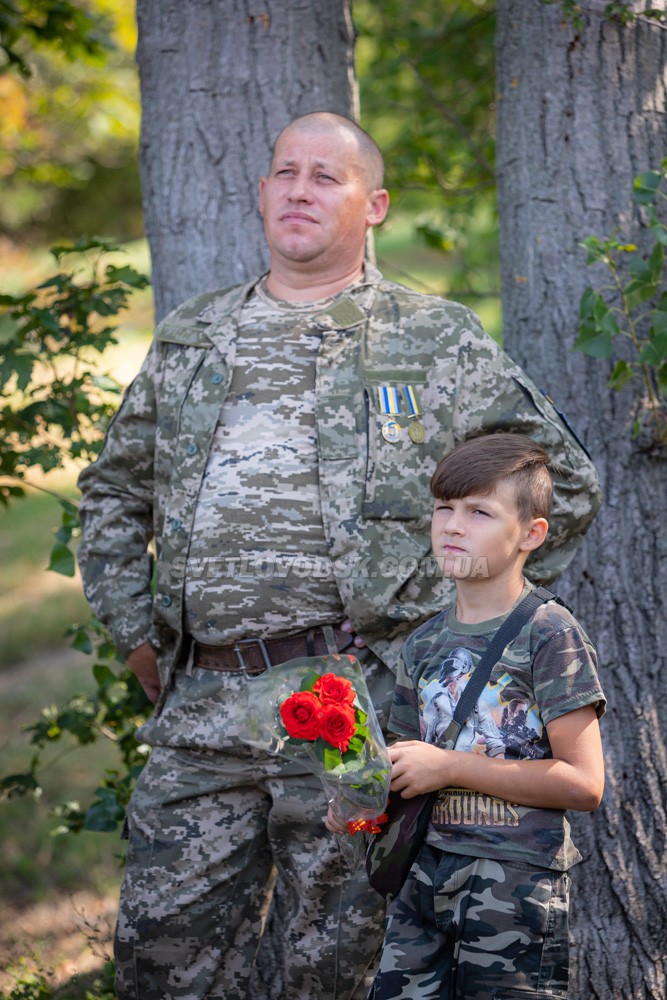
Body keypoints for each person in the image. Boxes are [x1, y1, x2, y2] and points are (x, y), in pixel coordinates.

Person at [76, 112, 602, 1000]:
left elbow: (565, 488)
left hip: (355, 708)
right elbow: (114, 493)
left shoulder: (432, 339)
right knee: (162, 958)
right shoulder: (192, 337)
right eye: (285, 173)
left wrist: (454, 637)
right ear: (260, 193)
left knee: (335, 966)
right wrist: (136, 633)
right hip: (199, 704)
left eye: (327, 176)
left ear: (374, 205)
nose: (299, 190)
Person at [355, 433, 606, 1000]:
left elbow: (584, 783)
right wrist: (356, 800)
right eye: (443, 507)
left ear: (531, 534)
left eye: (479, 512)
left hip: (513, 883)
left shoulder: (549, 634)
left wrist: (449, 767)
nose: (452, 525)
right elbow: (405, 767)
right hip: (421, 875)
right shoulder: (422, 645)